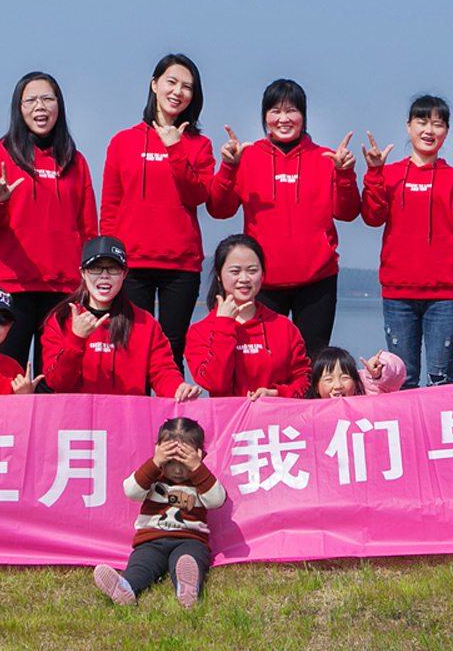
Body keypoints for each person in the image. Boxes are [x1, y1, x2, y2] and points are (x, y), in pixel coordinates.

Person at [207, 79, 359, 354]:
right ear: (265, 116)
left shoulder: (325, 158)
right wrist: (229, 167)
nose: (283, 119)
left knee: (313, 362)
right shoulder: (248, 157)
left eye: (291, 110)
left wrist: (345, 174)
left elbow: (347, 213)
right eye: (275, 111)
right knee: (262, 362)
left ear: (303, 115)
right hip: (261, 281)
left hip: (317, 279)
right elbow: (219, 209)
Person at [0, 72, 97, 374]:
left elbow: (88, 228)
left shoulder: (75, 160)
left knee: (54, 377)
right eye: (30, 100)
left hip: (63, 287)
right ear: (19, 108)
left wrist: (90, 281)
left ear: (59, 106)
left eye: (47, 99)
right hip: (12, 283)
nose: (39, 106)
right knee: (7, 375)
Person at [100, 54, 218, 368]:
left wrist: (175, 148)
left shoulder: (200, 145)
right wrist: (108, 261)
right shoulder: (122, 142)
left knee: (171, 351)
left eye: (187, 87)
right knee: (130, 350)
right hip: (131, 262)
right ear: (154, 84)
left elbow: (198, 195)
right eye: (171, 82)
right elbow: (110, 208)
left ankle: (171, 403)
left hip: (181, 264)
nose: (178, 91)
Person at [360, 95, 453, 388]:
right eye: (422, 122)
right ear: (409, 126)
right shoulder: (390, 174)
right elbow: (372, 217)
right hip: (398, 291)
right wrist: (374, 172)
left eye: (438, 124)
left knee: (440, 379)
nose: (429, 130)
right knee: (401, 380)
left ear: (446, 131)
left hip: (445, 294)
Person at [37, 237, 198, 400]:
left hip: (127, 414)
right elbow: (57, 382)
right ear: (83, 273)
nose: (104, 275)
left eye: (113, 268)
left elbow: (162, 372)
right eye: (95, 268)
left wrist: (178, 389)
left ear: (124, 273)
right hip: (77, 414)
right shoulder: (61, 319)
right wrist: (76, 339)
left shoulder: (145, 323)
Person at [93, 418, 227, 609]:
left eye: (184, 463)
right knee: (141, 566)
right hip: (151, 541)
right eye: (170, 462)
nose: (178, 470)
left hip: (190, 540)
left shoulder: (201, 480)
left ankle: (187, 588)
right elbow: (131, 491)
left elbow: (217, 500)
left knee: (188, 562)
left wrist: (197, 469)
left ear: (200, 456)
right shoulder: (152, 476)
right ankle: (126, 587)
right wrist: (155, 463)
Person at [184, 235, 311, 399]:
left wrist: (276, 394)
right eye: (235, 271)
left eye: (252, 270)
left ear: (262, 274)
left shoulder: (284, 327)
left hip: (276, 414)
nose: (244, 279)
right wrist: (224, 325)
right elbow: (216, 383)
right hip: (228, 415)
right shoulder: (200, 331)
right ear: (218, 275)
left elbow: (304, 382)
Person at [306, 346, 408, 398]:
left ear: (355, 381)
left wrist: (379, 373)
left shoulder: (367, 392)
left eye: (344, 378)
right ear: (316, 387)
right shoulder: (311, 413)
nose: (338, 385)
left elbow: (397, 376)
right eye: (329, 380)